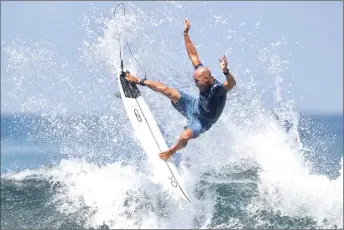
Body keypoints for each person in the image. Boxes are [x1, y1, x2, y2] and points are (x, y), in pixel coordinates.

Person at [125, 19, 236, 160]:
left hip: (201, 122)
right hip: (192, 105)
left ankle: (171, 151)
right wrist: (185, 34)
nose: (195, 83)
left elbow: (231, 84)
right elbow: (193, 56)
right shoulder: (202, 73)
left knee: (185, 136)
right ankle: (139, 81)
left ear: (207, 79)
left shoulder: (217, 89)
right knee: (168, 91)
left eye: (197, 81)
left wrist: (226, 72)